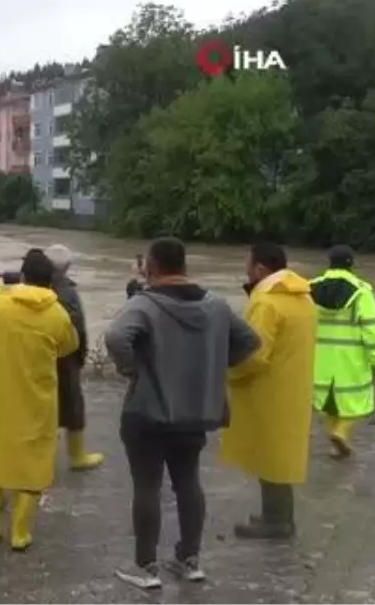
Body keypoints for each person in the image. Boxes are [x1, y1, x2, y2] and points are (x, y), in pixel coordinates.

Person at [103, 237, 259, 589]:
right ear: (185, 266)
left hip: (147, 412)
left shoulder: (144, 304)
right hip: (196, 411)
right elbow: (251, 341)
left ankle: (146, 568)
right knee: (188, 481)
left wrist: (133, 370)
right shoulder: (216, 305)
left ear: (152, 268)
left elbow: (115, 337)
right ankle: (189, 560)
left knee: (147, 486)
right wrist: (216, 363)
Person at [0, 250, 77, 552]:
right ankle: (20, 533)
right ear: (50, 280)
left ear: (23, 276)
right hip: (38, 401)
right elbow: (69, 347)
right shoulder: (58, 314)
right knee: (33, 464)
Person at [220, 242, 317, 540]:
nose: (245, 269)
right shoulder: (302, 297)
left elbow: (254, 353)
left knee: (271, 455)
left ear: (260, 268)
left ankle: (276, 522)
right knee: (281, 454)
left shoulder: (266, 302)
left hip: (268, 391)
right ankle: (278, 516)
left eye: (247, 264)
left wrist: (229, 373)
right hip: (294, 387)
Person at [308, 245, 375, 459]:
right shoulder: (361, 292)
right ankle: (340, 434)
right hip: (352, 360)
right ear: (351, 264)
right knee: (356, 402)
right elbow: (372, 326)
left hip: (320, 359)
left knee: (329, 402)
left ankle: (335, 445)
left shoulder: (310, 288)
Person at [43, 244, 104, 471]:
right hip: (65, 355)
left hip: (37, 353)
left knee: (40, 405)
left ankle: (42, 459)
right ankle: (77, 457)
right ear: (67, 266)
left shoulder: (28, 284)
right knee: (72, 406)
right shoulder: (67, 291)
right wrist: (82, 354)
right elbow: (77, 327)